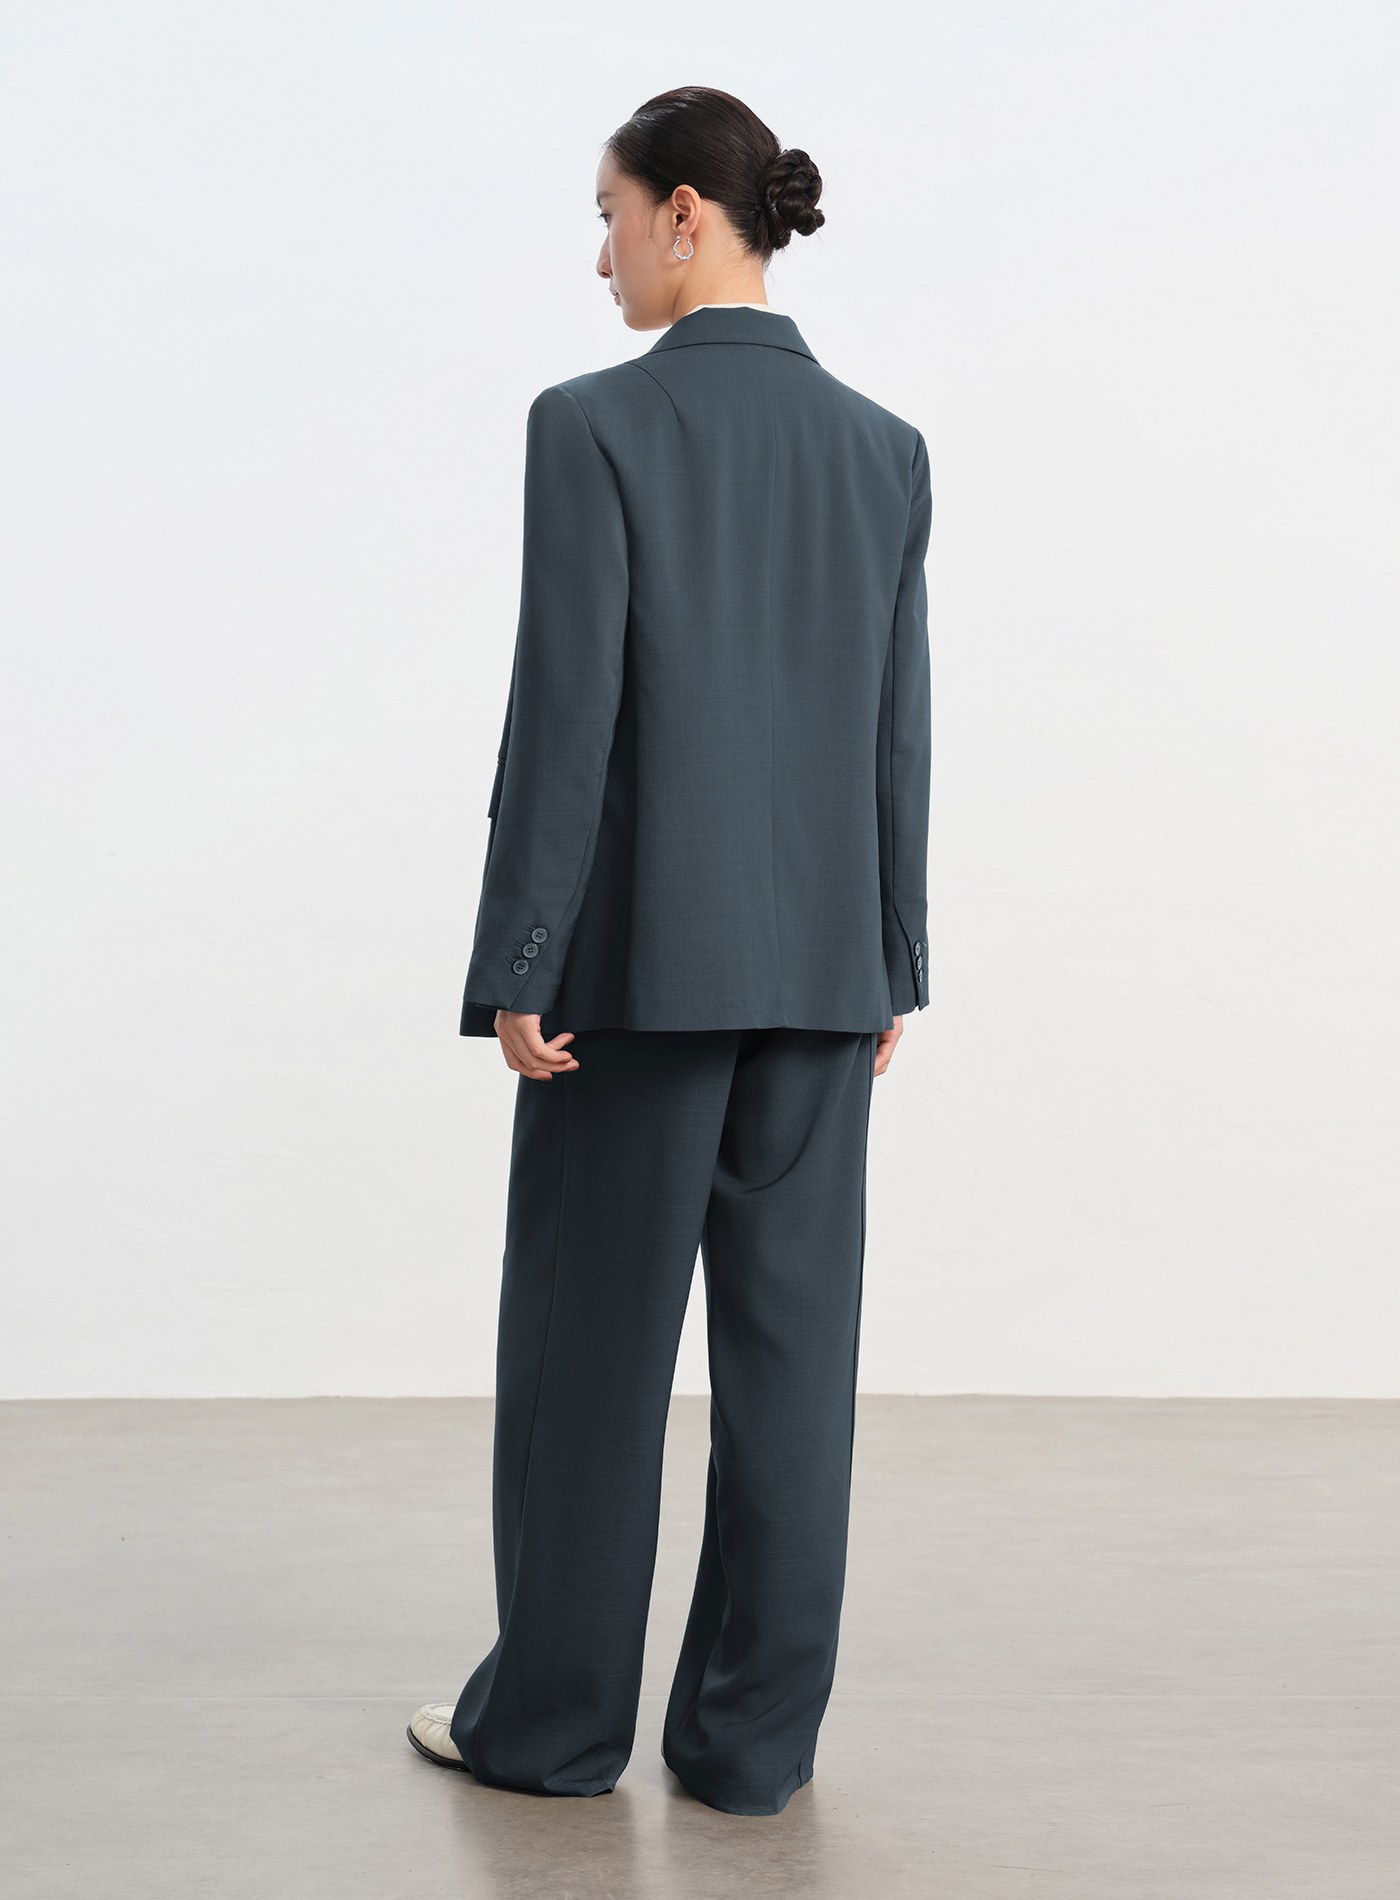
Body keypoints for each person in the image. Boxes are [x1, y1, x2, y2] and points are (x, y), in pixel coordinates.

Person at [406, 85, 932, 1818]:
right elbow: (897, 729)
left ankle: (553, 1732)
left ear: (687, 215)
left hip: (635, 984)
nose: (604, 255)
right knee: (794, 1378)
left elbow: (567, 715)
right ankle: (750, 1749)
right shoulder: (884, 449)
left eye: (613, 215)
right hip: (826, 985)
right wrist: (895, 955)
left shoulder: (593, 426)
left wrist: (521, 958)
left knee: (590, 1361)